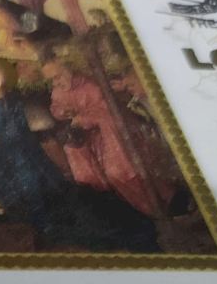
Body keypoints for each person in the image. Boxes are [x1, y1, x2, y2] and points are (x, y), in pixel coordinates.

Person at [0, 58, 158, 252]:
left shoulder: (10, 102)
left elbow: (19, 129)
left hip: (22, 156)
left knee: (41, 193)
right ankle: (40, 231)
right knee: (15, 200)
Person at [43, 57, 165, 217]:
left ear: (68, 70)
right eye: (51, 80)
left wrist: (82, 119)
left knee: (118, 172)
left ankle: (154, 209)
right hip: (91, 138)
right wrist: (63, 112)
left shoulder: (90, 86)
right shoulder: (58, 92)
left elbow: (105, 111)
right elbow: (56, 108)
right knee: (84, 170)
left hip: (113, 135)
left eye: (57, 77)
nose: (56, 83)